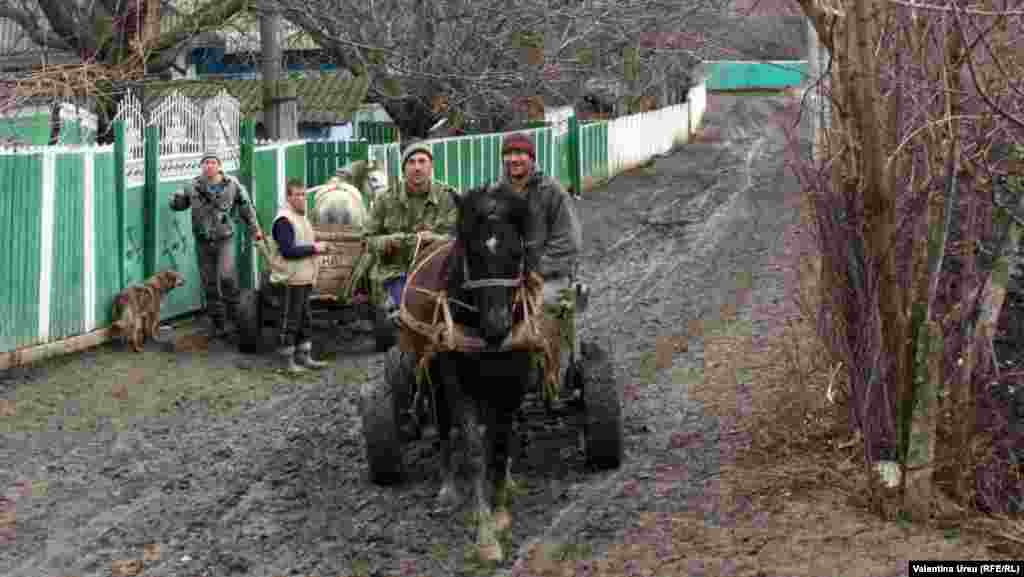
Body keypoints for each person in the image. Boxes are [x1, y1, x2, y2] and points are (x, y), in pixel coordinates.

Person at [499, 132, 584, 396]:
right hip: (503, 278)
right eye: (509, 154)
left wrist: (535, 269)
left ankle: (549, 380)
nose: (514, 159)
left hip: (546, 275)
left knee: (544, 309)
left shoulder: (552, 192)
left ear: (531, 158)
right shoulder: (494, 193)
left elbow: (568, 242)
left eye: (520, 154)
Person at [350, 139, 459, 323]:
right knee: (407, 317)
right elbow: (367, 240)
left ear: (431, 166)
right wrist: (394, 240)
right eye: (411, 162)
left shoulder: (449, 198)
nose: (417, 167)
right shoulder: (386, 200)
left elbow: (461, 239)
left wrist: (436, 240)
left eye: (422, 161)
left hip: (439, 276)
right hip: (395, 274)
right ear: (404, 168)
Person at [170, 149, 262, 339]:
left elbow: (247, 208)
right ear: (201, 166)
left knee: (227, 277)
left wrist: (255, 230)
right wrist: (175, 200)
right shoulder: (192, 186)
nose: (209, 166)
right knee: (209, 283)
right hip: (202, 240)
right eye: (206, 162)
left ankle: (238, 320)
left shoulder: (232, 184)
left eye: (213, 162)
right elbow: (178, 205)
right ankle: (218, 324)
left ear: (219, 166)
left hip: (224, 239)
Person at [264, 179, 331, 373]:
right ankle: (287, 362)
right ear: (288, 197)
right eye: (297, 195)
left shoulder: (301, 217)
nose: (302, 198)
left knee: (304, 319)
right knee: (290, 320)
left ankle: (304, 356)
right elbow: (287, 251)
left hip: (303, 277)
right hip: (290, 279)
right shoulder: (284, 221)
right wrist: (315, 248)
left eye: (304, 194)